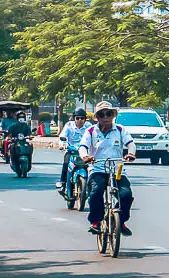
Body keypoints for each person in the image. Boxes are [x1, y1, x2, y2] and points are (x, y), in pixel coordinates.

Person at [79, 101, 136, 237]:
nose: (105, 117)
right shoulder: (91, 131)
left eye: (108, 114)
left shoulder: (121, 130)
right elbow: (83, 147)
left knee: (126, 195)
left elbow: (130, 144)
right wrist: (85, 156)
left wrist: (131, 153)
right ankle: (96, 222)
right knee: (95, 192)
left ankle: (119, 221)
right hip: (97, 169)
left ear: (113, 116)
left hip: (117, 170)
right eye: (101, 114)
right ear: (97, 117)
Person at [57, 108, 89, 194]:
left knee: (93, 166)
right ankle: (63, 183)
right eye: (77, 118)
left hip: (85, 152)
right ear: (74, 118)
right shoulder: (69, 125)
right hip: (71, 151)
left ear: (85, 119)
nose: (80, 120)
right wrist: (62, 145)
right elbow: (62, 136)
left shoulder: (89, 126)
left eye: (82, 118)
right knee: (66, 163)